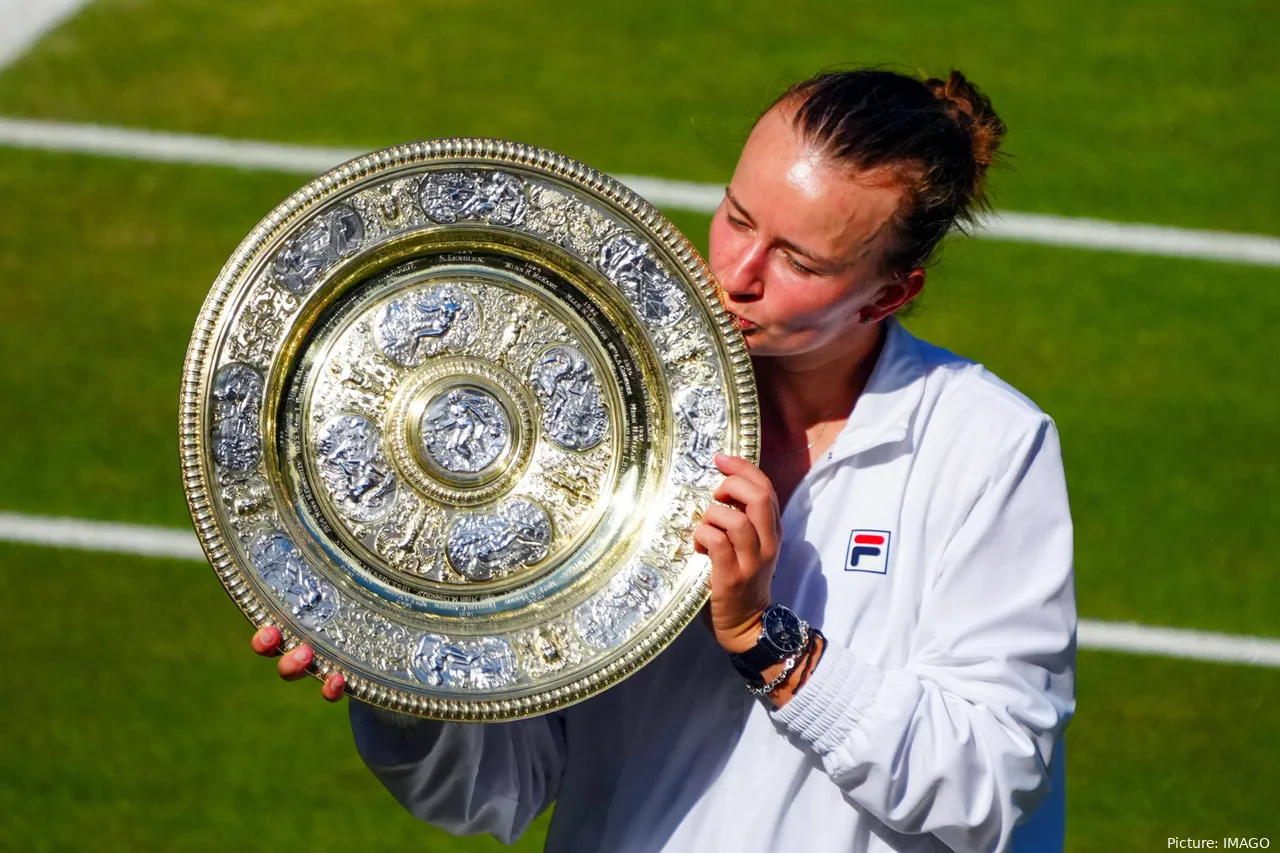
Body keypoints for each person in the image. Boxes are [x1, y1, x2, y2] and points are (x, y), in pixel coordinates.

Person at [252, 67, 1077, 853]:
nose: (737, 273)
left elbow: (994, 789)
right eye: (738, 216)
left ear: (888, 294)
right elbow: (497, 791)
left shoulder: (986, 447)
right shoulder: (606, 422)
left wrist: (767, 641)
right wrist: (394, 665)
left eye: (798, 260)